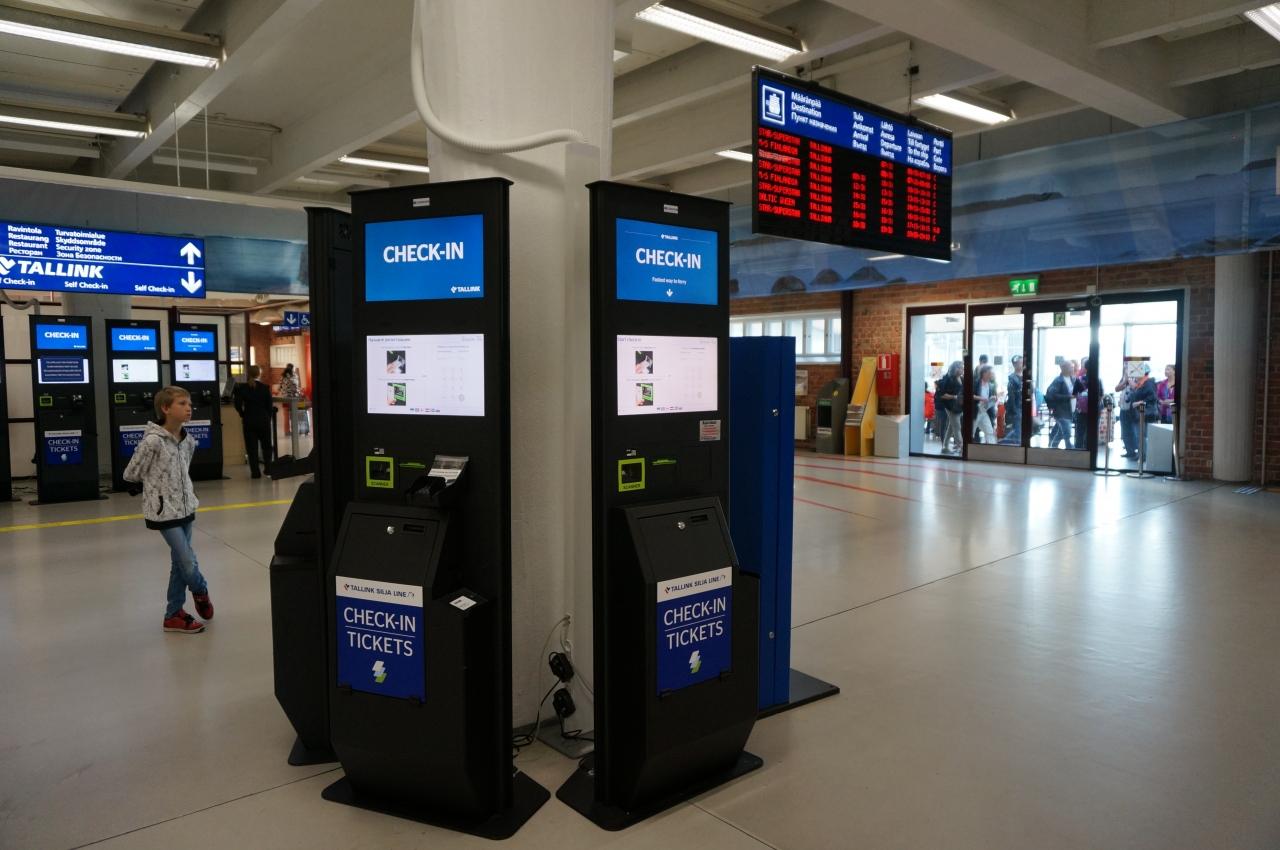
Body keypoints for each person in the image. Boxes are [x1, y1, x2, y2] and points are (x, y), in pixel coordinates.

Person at [122, 386, 212, 635]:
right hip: (164, 512)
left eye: (190, 404)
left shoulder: (188, 440)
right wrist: (154, 486)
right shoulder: (153, 441)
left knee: (179, 563)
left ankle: (173, 614)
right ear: (165, 408)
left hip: (186, 507)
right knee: (187, 562)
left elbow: (184, 471)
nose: (189, 408)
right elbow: (131, 473)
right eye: (182, 404)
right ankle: (200, 590)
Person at [233, 366, 274, 478]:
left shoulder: (242, 388)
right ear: (259, 374)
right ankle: (268, 469)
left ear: (248, 374)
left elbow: (237, 404)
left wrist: (242, 414)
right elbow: (269, 406)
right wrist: (268, 417)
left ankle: (255, 473)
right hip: (263, 420)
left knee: (252, 448)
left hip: (249, 420)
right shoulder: (265, 388)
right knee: (267, 447)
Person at [1117, 361, 1158, 459]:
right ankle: (1141, 454)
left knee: (1142, 435)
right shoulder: (1141, 384)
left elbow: (1152, 397)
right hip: (1138, 413)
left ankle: (1143, 455)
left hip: (1145, 413)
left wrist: (1140, 402)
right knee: (1140, 435)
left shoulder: (1148, 382)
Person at [1045, 359, 1077, 449]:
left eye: (1073, 367)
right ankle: (1070, 449)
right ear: (1063, 368)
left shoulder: (1073, 379)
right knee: (1067, 433)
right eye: (1070, 367)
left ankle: (1053, 447)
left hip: (1070, 411)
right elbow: (1052, 395)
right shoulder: (1058, 381)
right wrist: (1068, 397)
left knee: (1060, 432)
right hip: (1061, 411)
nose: (1072, 369)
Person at [936, 360, 965, 455]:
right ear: (956, 368)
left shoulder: (961, 378)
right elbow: (942, 395)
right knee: (957, 426)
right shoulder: (949, 379)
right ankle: (962, 448)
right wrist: (954, 397)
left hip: (958, 407)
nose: (963, 369)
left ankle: (945, 447)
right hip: (950, 407)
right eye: (961, 368)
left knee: (951, 427)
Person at [1000, 355, 1024, 445]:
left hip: (1023, 407)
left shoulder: (1026, 376)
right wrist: (1014, 410)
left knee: (1019, 430)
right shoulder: (1012, 378)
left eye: (1022, 362)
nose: (1022, 364)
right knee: (1017, 430)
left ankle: (1005, 442)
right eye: (1020, 363)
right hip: (1017, 407)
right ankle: (1007, 443)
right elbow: (1012, 396)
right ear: (1015, 365)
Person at [971, 364, 997, 444]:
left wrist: (993, 398)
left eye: (991, 373)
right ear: (984, 373)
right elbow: (970, 395)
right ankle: (965, 448)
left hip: (984, 410)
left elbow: (990, 398)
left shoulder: (990, 385)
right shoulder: (976, 383)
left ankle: (991, 447)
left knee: (989, 430)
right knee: (971, 431)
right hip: (975, 410)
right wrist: (981, 398)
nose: (991, 375)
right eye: (989, 373)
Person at [278, 363, 301, 436]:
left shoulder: (283, 376)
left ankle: (287, 431)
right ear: (292, 368)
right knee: (294, 415)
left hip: (285, 398)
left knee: (286, 415)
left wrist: (283, 391)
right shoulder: (294, 376)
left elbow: (279, 387)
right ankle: (294, 430)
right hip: (293, 398)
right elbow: (296, 387)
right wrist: (299, 393)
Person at [1073, 357, 1089, 450]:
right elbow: (1101, 395)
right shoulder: (1097, 379)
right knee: (1089, 431)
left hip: (1081, 409)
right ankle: (1087, 449)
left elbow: (1074, 394)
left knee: (1080, 431)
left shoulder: (1079, 378)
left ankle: (1078, 449)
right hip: (1091, 410)